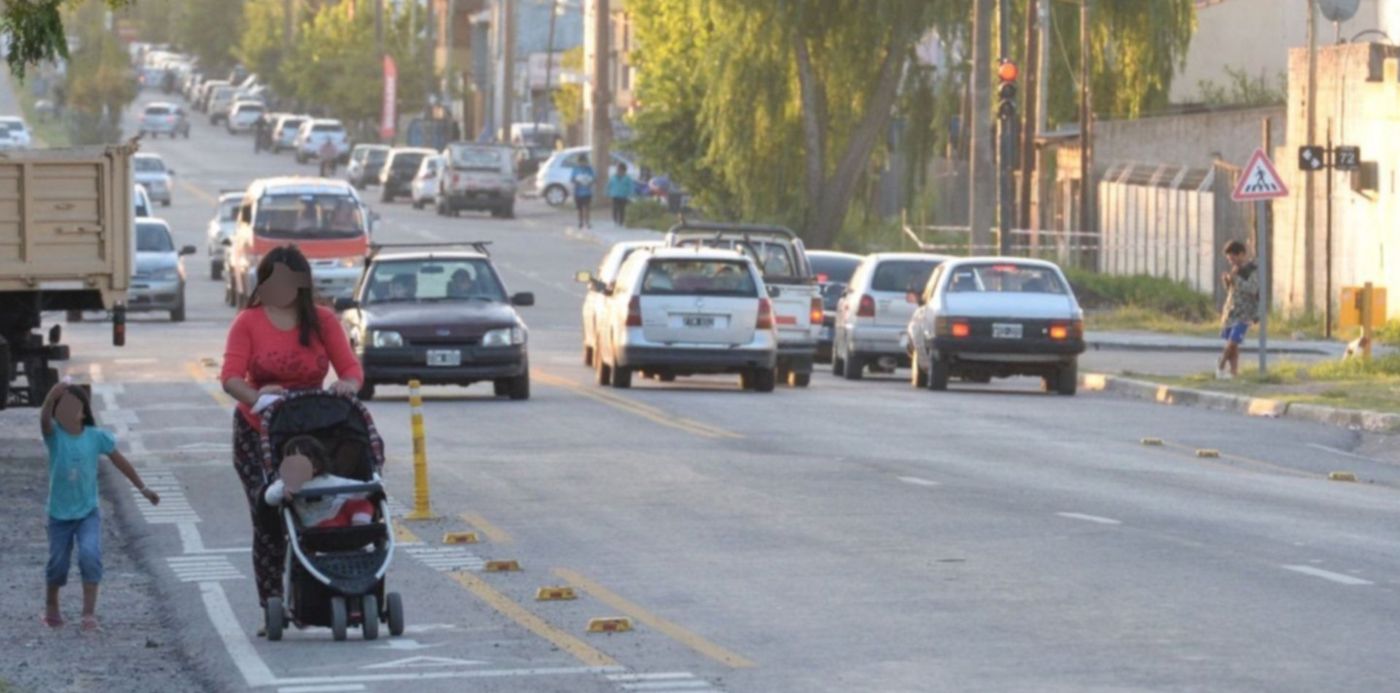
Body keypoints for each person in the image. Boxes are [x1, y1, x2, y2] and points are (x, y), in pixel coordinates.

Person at [220, 246, 363, 632]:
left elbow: (349, 367)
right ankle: (272, 603)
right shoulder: (247, 322)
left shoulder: (322, 320)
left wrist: (347, 386)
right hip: (260, 430)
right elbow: (231, 376)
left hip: (310, 432)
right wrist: (259, 399)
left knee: (325, 510)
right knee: (270, 515)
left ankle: (333, 589)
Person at [40, 382, 160, 631]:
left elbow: (120, 462)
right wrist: (50, 398)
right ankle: (52, 605)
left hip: (87, 513)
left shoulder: (96, 437)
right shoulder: (54, 437)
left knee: (90, 556)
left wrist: (143, 488)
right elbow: (43, 421)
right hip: (59, 514)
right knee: (57, 563)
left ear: (84, 412)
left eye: (72, 407)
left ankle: (88, 613)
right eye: (61, 408)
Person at [263, 436, 373, 529]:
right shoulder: (287, 482)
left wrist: (371, 486)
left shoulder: (329, 480)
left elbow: (357, 488)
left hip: (337, 517)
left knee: (362, 504)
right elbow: (269, 497)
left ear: (318, 464)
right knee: (332, 524)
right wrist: (282, 491)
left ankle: (358, 530)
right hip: (316, 527)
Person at [1217, 239, 1261, 379]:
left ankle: (1221, 362)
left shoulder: (1251, 270)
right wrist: (1228, 281)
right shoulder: (1235, 270)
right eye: (1229, 259)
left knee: (1234, 340)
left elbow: (1253, 289)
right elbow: (1232, 291)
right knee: (1234, 346)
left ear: (1241, 254)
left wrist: (1236, 279)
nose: (1231, 262)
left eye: (1233, 258)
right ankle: (1233, 373)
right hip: (1231, 311)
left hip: (1245, 313)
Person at [570, 153, 596, 229]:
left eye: (584, 161)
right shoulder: (575, 169)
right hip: (578, 192)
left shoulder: (589, 169)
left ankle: (587, 222)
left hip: (587, 192)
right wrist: (577, 182)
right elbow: (572, 179)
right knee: (579, 209)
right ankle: (580, 222)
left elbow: (594, 178)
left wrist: (589, 182)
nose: (583, 163)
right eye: (581, 162)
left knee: (587, 208)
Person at [607, 162, 635, 227]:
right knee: (615, 208)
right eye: (617, 169)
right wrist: (607, 192)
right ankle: (615, 220)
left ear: (623, 169)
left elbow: (631, 186)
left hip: (623, 195)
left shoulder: (627, 177)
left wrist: (631, 193)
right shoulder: (613, 177)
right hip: (615, 194)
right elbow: (609, 184)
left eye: (619, 169)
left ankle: (621, 221)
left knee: (622, 209)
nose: (618, 170)